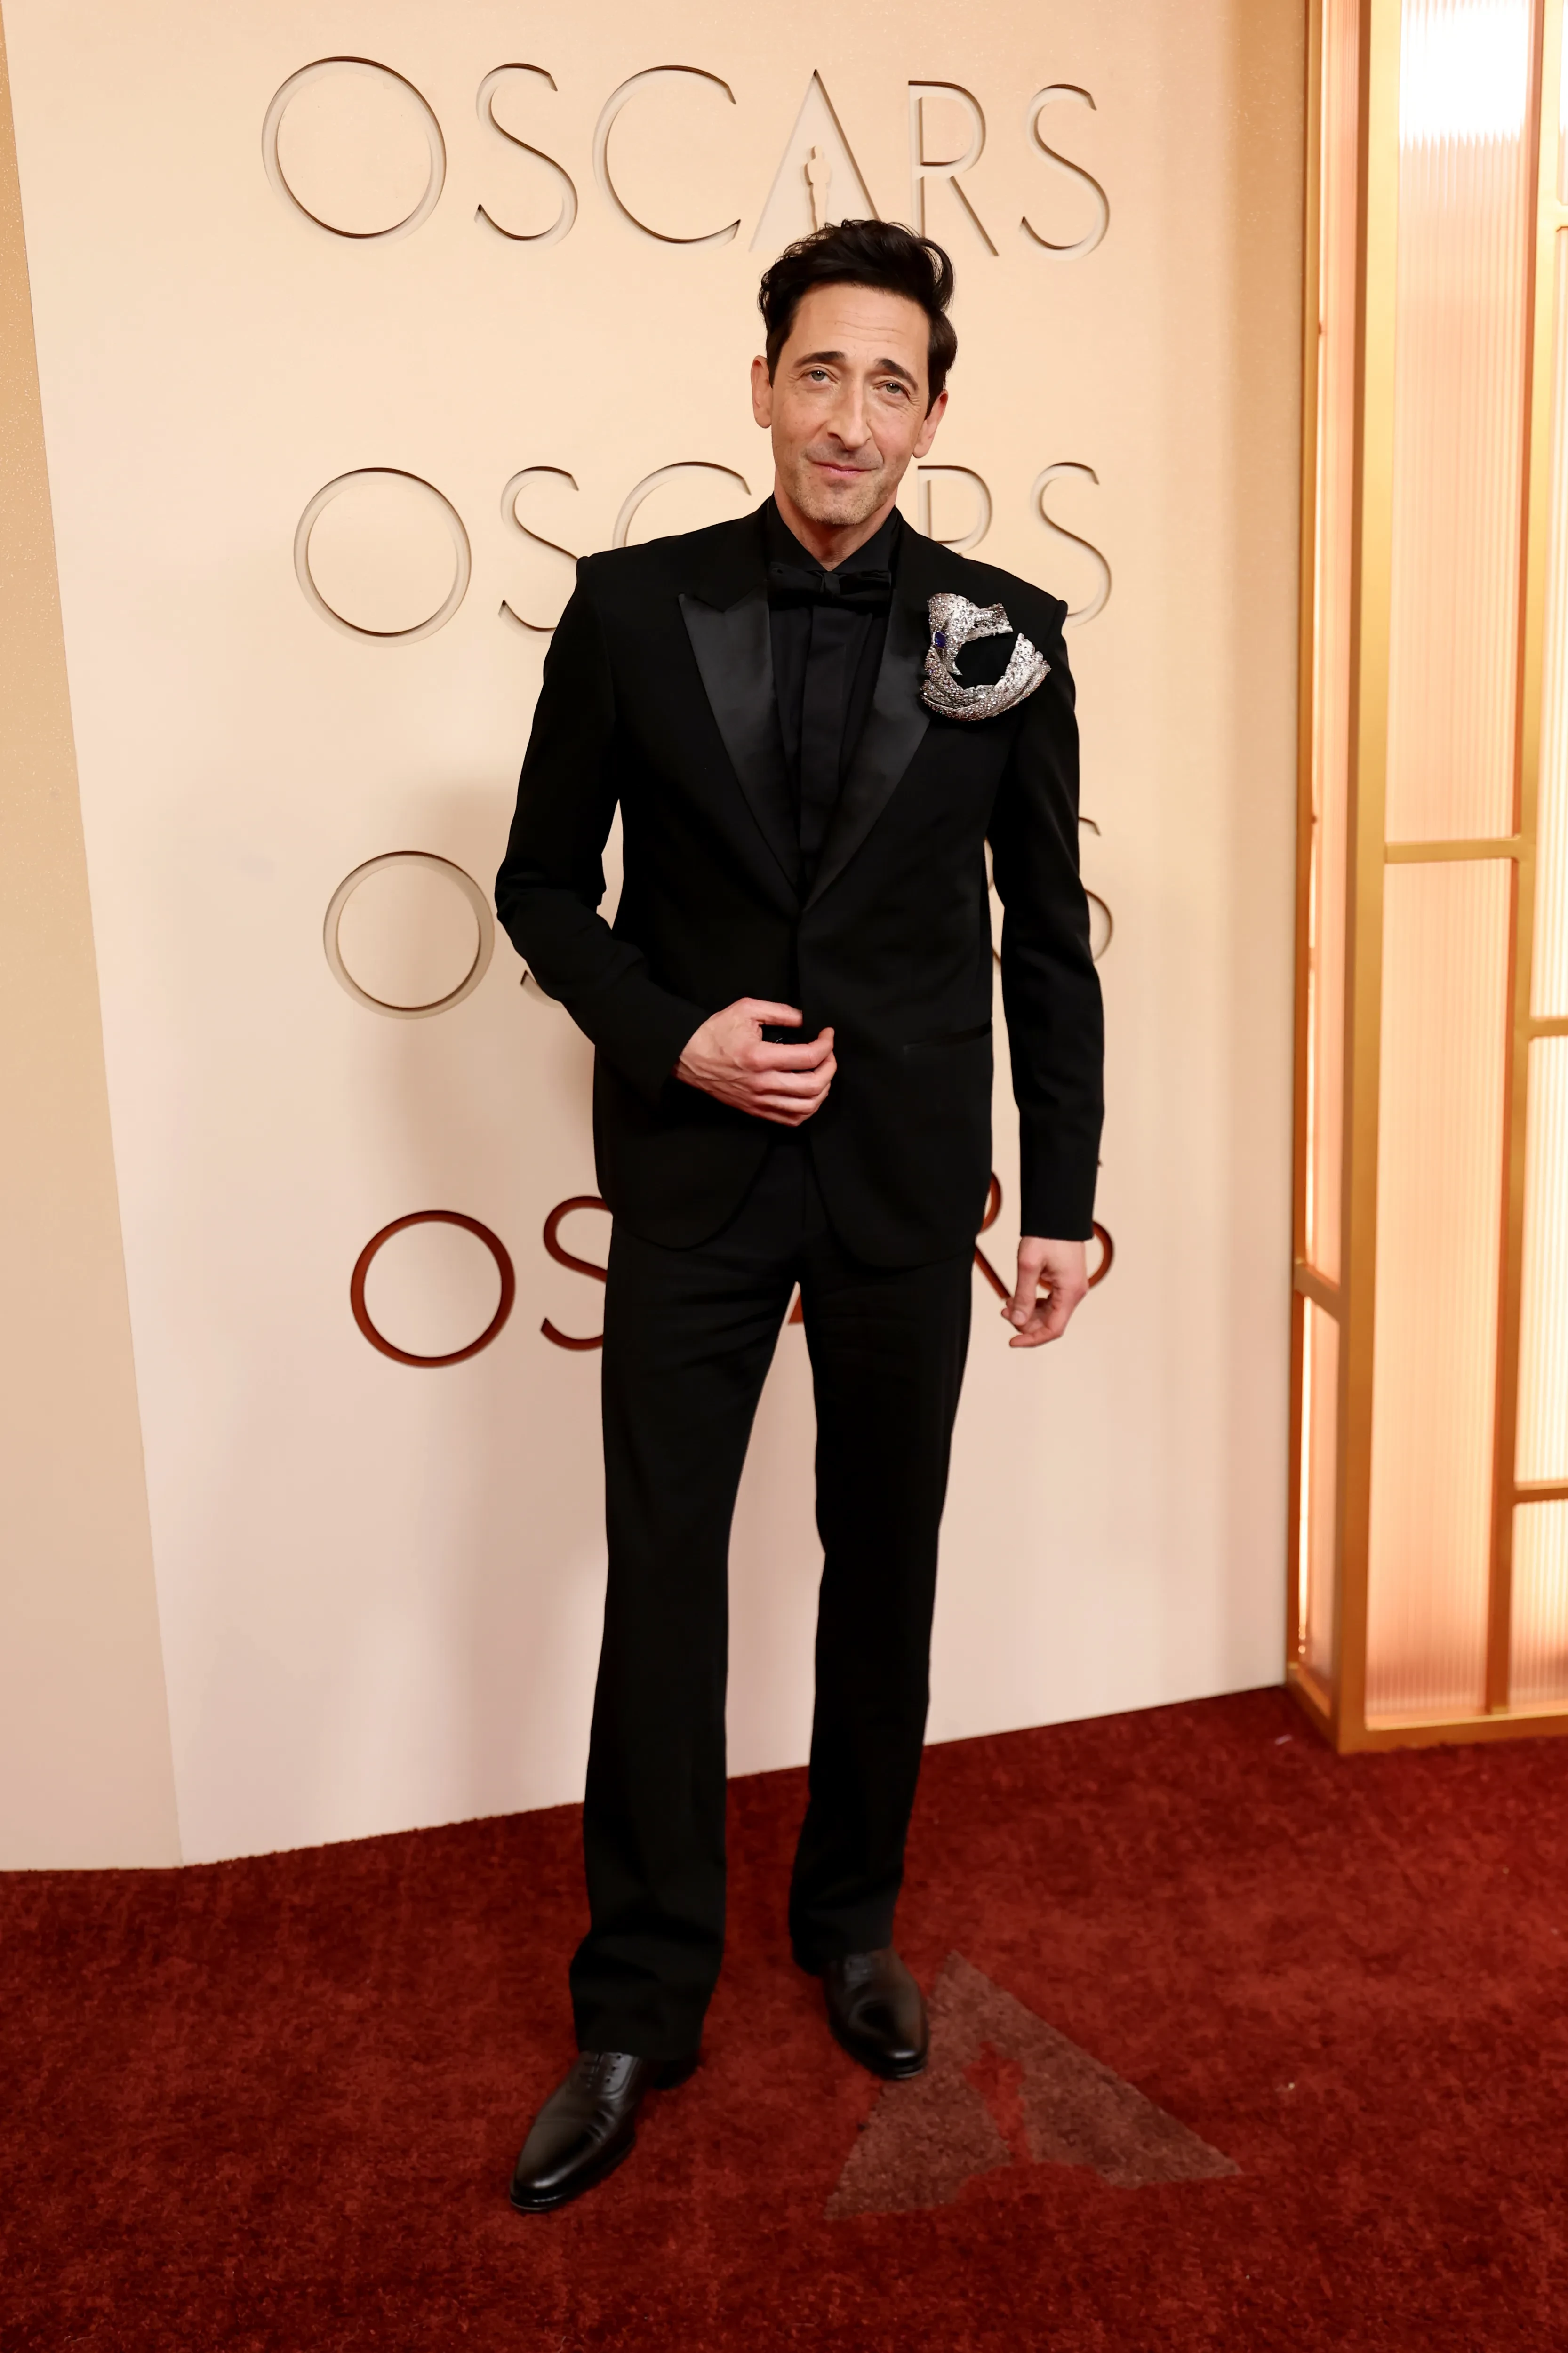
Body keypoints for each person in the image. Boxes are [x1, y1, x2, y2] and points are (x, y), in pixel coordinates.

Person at [495, 219, 1104, 2212]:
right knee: (663, 1576)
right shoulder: (627, 608)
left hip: (903, 1181)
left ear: (933, 415)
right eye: (819, 372)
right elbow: (540, 888)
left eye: (890, 383)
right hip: (695, 1173)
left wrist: (1062, 1198)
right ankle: (634, 2004)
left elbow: (1043, 937)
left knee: (883, 1563)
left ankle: (849, 1926)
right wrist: (672, 1036)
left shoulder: (1008, 630)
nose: (850, 415)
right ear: (759, 384)